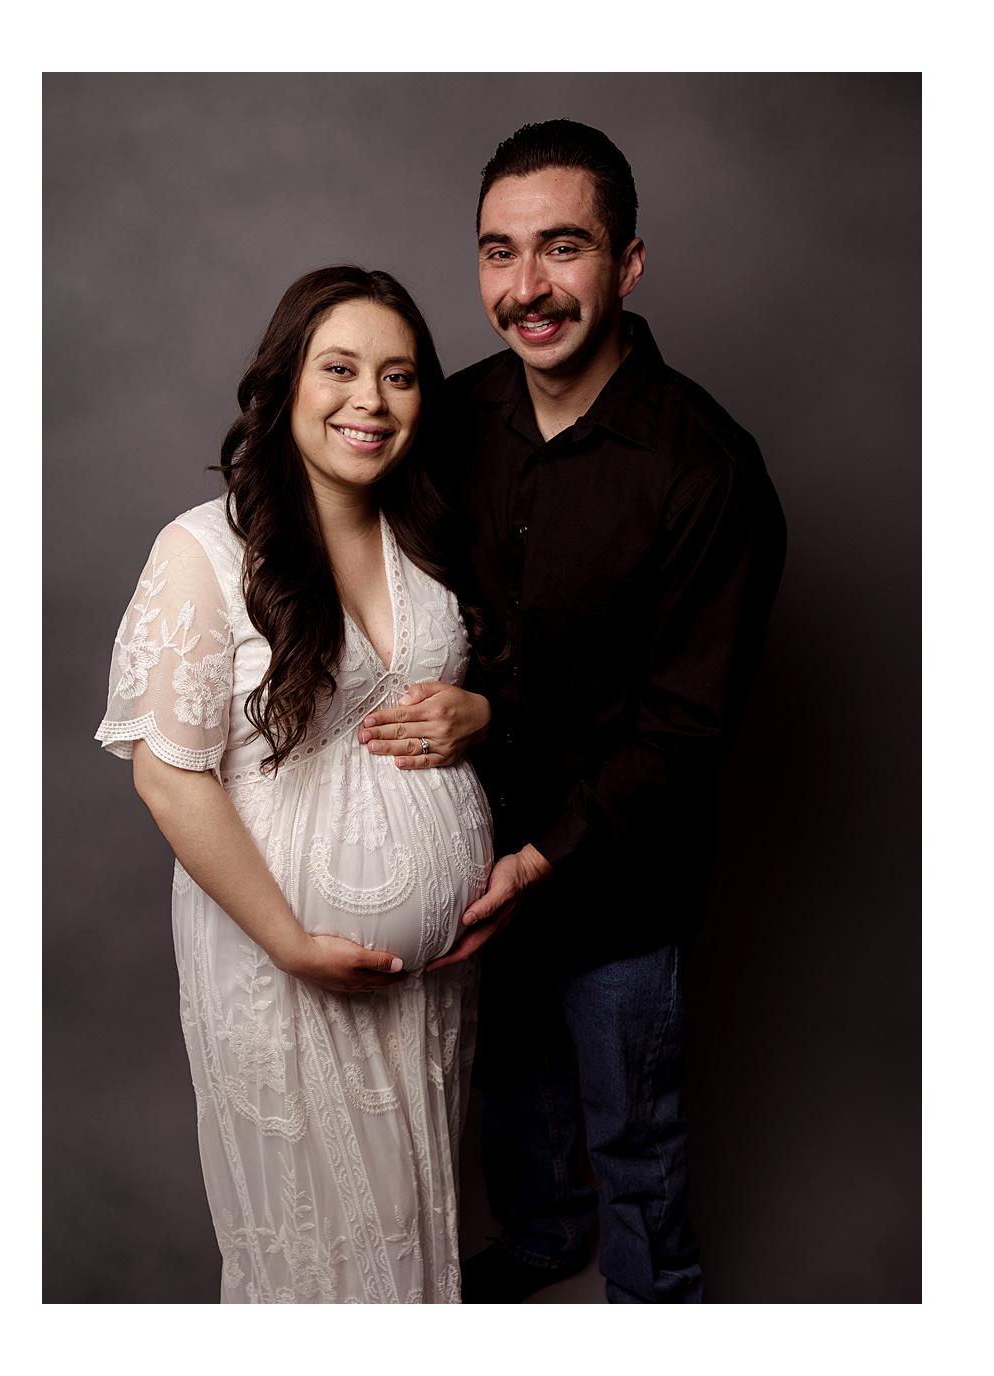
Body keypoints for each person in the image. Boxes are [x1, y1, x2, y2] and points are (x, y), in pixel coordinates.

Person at [357, 121, 787, 1303]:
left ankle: (654, 1304)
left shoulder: (707, 467)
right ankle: (544, 1242)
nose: (527, 287)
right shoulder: (448, 418)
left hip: (618, 873)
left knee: (631, 1129)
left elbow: (685, 722)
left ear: (627, 262)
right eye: (499, 252)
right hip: (472, 847)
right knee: (513, 1089)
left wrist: (540, 853)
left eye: (562, 247)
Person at [95, 267, 494, 1304]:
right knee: (318, 1259)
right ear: (285, 385)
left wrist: (480, 711)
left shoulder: (425, 533)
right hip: (280, 960)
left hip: (430, 985)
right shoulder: (204, 549)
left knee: (414, 1235)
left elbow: (472, 686)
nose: (372, 400)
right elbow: (169, 776)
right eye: (341, 369)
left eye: (399, 376)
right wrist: (288, 941)